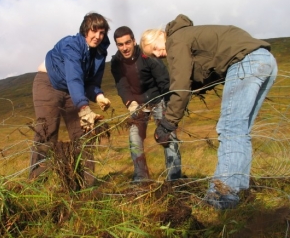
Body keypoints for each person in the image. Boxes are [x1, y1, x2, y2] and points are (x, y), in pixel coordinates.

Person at [140, 14, 277, 209]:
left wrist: (168, 123)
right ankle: (238, 190)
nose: (159, 54)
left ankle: (221, 198)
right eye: (154, 55)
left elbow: (180, 87)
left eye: (155, 48)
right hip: (265, 60)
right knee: (240, 131)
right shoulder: (187, 35)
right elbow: (198, 74)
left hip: (246, 62)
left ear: (161, 35)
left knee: (229, 129)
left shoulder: (175, 40)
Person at [29, 12, 112, 187]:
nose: (97, 36)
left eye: (102, 33)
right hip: (48, 84)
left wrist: (99, 96)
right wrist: (84, 108)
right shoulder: (71, 45)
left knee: (83, 134)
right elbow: (74, 77)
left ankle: (86, 184)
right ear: (85, 30)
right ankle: (36, 184)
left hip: (72, 90)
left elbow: (90, 82)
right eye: (94, 31)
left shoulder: (99, 53)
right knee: (47, 132)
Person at [110, 26, 182, 183]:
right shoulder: (116, 62)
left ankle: (174, 179)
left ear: (134, 41)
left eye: (127, 43)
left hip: (158, 99)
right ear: (117, 45)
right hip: (137, 105)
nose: (125, 48)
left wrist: (168, 105)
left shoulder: (147, 54)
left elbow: (163, 79)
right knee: (134, 138)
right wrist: (130, 103)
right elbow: (121, 85)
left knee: (168, 136)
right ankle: (141, 179)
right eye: (120, 44)